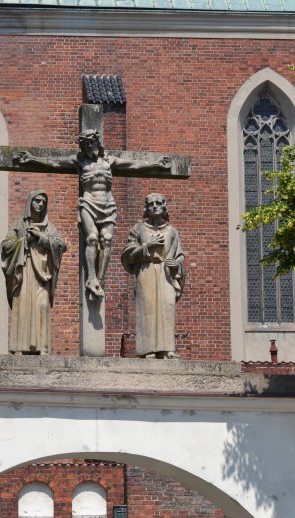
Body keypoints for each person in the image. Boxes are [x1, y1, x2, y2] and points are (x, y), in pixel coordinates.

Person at [16, 130, 170, 298]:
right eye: (86, 144)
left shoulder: (109, 161)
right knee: (92, 238)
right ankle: (90, 277)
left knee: (107, 239)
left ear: (98, 143)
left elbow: (134, 164)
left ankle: (100, 279)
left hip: (107, 205)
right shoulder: (79, 161)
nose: (89, 146)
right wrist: (32, 159)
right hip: (88, 203)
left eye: (92, 143)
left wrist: (156, 164)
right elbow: (54, 163)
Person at [1, 189, 66, 355]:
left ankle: (43, 348)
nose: (41, 204)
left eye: (44, 202)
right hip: (24, 272)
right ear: (30, 202)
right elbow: (6, 246)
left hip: (42, 275)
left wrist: (41, 237)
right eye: (37, 200)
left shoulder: (49, 227)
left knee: (42, 305)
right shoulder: (18, 225)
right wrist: (24, 241)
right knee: (23, 307)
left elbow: (61, 245)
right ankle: (19, 348)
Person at [120, 193, 185, 359]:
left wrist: (176, 264)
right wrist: (147, 246)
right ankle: (147, 349)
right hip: (146, 271)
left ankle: (168, 349)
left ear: (164, 207)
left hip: (166, 274)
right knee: (148, 309)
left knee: (168, 307)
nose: (154, 206)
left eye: (158, 203)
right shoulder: (138, 229)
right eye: (151, 204)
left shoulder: (172, 232)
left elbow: (179, 255)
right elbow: (128, 254)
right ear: (146, 208)